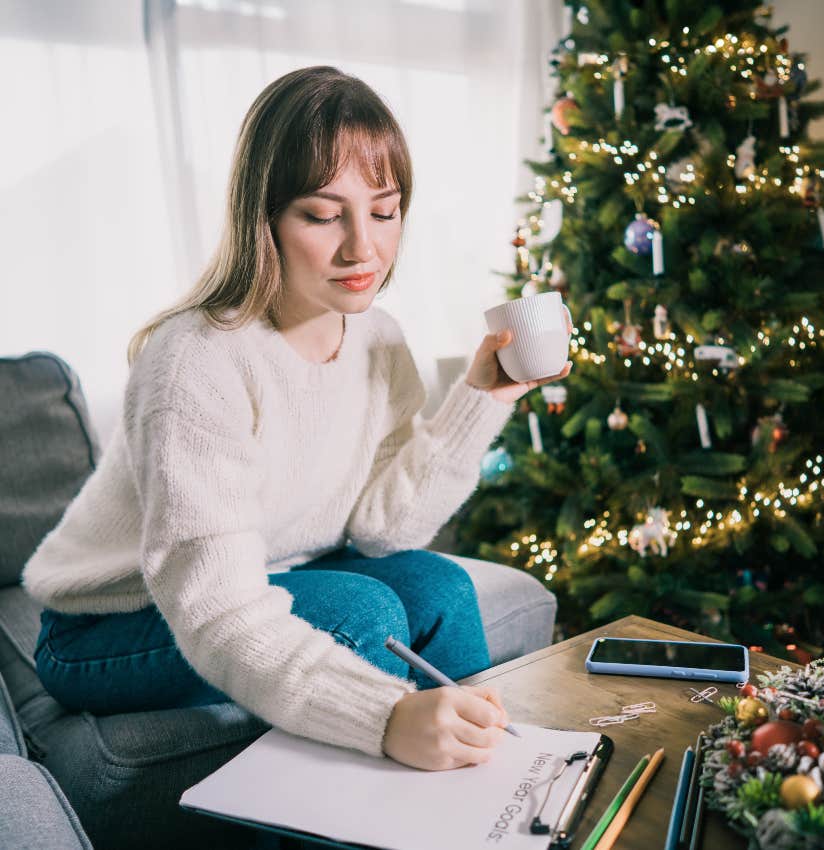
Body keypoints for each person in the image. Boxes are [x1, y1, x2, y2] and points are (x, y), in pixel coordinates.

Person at [23, 66, 571, 772]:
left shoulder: (379, 338)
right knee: (357, 612)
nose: (363, 249)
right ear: (266, 218)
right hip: (107, 626)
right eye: (321, 214)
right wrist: (383, 717)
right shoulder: (198, 360)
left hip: (279, 569)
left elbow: (383, 531)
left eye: (383, 210)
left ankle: (489, 787)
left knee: (439, 588)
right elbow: (217, 610)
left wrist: (482, 396)